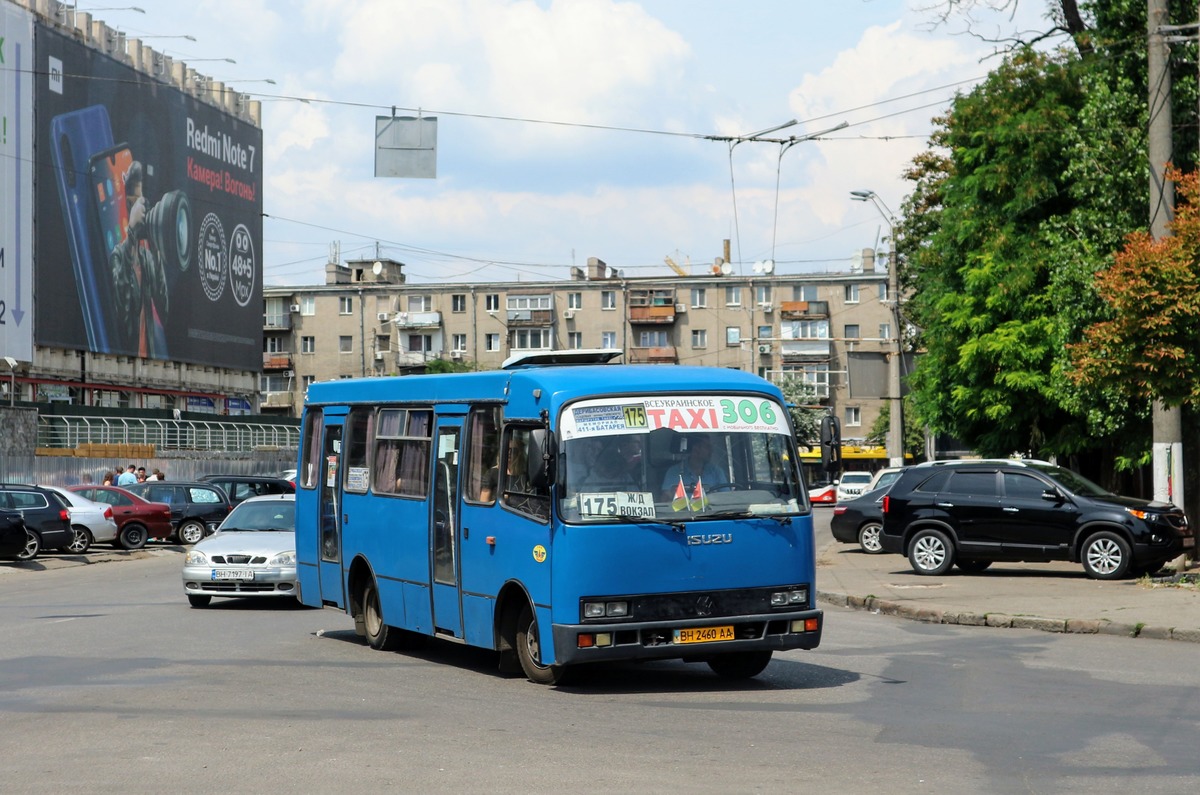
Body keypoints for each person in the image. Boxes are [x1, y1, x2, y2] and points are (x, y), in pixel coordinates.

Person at [110, 160, 169, 357]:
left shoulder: (146, 258)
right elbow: (122, 312)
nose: (137, 207)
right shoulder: (118, 255)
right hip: (124, 364)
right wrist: (132, 234)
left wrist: (155, 246)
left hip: (151, 362)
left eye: (140, 200)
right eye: (131, 201)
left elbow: (164, 307)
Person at [660, 435, 725, 502]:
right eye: (707, 447)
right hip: (682, 512)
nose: (712, 451)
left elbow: (726, 497)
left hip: (714, 512)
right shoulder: (673, 472)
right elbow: (665, 500)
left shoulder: (717, 472)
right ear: (696, 449)